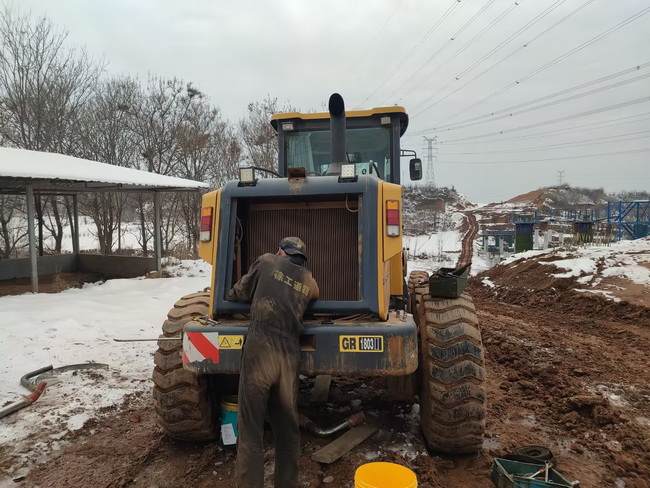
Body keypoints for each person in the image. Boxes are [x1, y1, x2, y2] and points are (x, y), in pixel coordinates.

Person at [228, 236, 319, 488]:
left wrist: (229, 296)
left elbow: (241, 291)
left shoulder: (267, 261)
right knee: (288, 430)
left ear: (281, 251)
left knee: (251, 428)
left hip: (260, 350)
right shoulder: (310, 282)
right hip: (288, 355)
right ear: (301, 259)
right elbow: (311, 298)